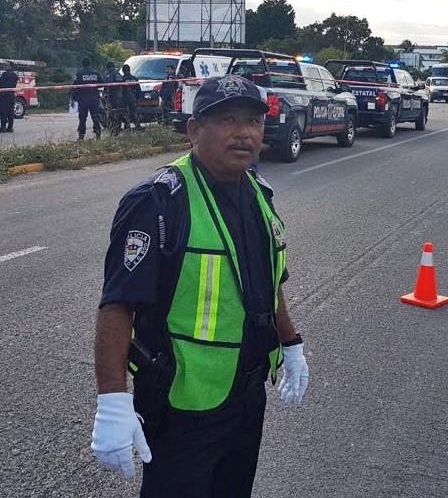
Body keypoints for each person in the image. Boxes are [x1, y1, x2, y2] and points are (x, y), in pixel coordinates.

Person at [91, 75, 310, 497]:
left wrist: (292, 344)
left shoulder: (259, 194)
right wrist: (112, 401)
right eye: (227, 120)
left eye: (253, 121)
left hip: (246, 395)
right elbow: (117, 306)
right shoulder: (158, 202)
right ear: (194, 130)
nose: (244, 133)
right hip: (181, 403)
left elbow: (269, 280)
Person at [73, 58, 104, 140]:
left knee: (82, 118)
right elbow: (102, 83)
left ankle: (81, 136)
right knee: (96, 117)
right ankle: (98, 136)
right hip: (94, 99)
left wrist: (74, 97)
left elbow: (75, 85)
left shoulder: (80, 73)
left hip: (83, 99)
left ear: (82, 64)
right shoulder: (95, 73)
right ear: (90, 64)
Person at [102, 62, 125, 134]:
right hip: (121, 96)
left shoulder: (108, 74)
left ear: (107, 67)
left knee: (111, 112)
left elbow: (106, 85)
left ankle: (113, 128)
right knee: (119, 112)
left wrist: (105, 94)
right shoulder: (119, 74)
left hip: (112, 96)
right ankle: (118, 126)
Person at [0, 62, 19, 133]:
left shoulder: (4, 75)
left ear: (10, 67)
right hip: (11, 95)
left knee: (3, 112)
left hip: (4, 95)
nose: (4, 66)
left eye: (6, 65)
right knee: (10, 112)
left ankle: (3, 128)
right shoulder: (15, 75)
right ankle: (10, 128)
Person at [121, 64, 143, 130]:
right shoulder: (134, 78)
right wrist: (139, 98)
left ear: (123, 71)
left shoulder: (122, 79)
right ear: (129, 70)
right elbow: (139, 89)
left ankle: (127, 126)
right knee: (135, 112)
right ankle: (137, 125)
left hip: (125, 99)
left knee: (126, 112)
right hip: (134, 98)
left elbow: (121, 90)